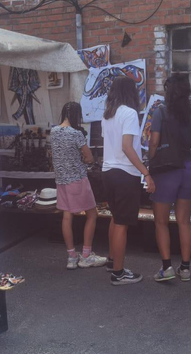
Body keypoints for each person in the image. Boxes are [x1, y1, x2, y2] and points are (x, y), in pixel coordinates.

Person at [148, 74, 191, 282]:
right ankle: (185, 268)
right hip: (188, 170)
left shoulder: (160, 112)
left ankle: (166, 268)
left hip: (166, 172)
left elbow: (154, 142)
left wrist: (151, 161)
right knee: (184, 222)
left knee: (161, 222)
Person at [102, 76, 155, 286]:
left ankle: (113, 260)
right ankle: (119, 273)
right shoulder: (130, 113)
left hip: (108, 171)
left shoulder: (107, 115)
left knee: (116, 218)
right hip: (125, 173)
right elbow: (127, 147)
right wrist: (146, 173)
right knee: (122, 223)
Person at [50, 102, 107, 270]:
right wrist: (82, 160)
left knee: (67, 217)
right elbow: (89, 158)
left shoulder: (53, 132)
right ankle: (87, 255)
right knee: (92, 215)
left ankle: (71, 256)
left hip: (61, 181)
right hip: (78, 180)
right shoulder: (76, 134)